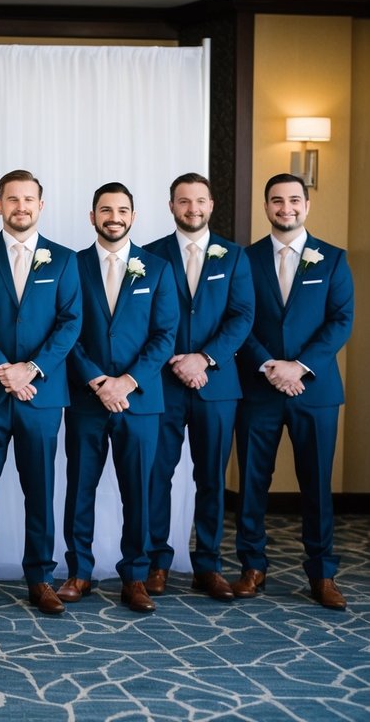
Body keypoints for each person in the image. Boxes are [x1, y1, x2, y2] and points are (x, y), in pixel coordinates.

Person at [0, 170, 81, 615]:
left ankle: (41, 578)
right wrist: (1, 370)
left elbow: (70, 323)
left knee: (41, 487)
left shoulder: (64, 261)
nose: (21, 207)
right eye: (12, 199)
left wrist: (31, 369)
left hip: (43, 395)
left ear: (41, 205)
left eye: (29, 199)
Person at [234, 173, 354, 610]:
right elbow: (238, 321)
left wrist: (298, 367)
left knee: (317, 485)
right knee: (252, 483)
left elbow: (340, 321)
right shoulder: (244, 261)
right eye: (277, 201)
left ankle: (322, 573)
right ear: (266, 206)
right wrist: (270, 366)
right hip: (258, 389)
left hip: (314, 391)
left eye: (294, 200)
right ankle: (252, 566)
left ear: (307, 204)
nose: (286, 208)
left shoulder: (333, 260)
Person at [60, 182, 177, 614]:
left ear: (133, 216)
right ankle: (79, 573)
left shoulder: (158, 268)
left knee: (139, 491)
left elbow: (165, 336)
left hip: (140, 400)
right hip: (87, 399)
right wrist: (96, 380)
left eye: (122, 209)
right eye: (105, 209)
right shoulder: (72, 265)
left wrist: (126, 382)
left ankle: (136, 577)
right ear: (92, 216)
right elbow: (67, 329)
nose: (114, 216)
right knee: (80, 489)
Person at [143, 173, 253, 601]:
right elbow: (146, 317)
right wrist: (176, 360)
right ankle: (157, 562)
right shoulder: (151, 255)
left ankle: (208, 564)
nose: (193, 208)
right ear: (171, 206)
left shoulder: (235, 257)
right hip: (163, 385)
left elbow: (241, 316)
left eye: (200, 201)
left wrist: (204, 358)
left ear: (211, 205)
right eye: (184, 201)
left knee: (211, 478)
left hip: (217, 384)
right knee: (158, 475)